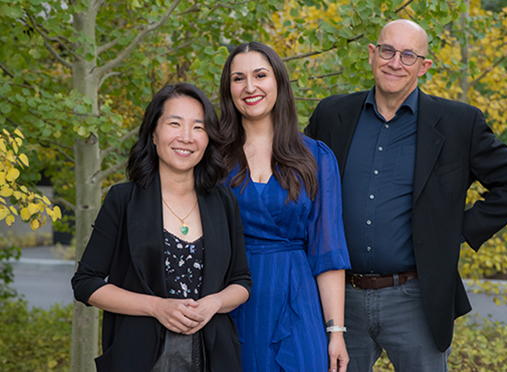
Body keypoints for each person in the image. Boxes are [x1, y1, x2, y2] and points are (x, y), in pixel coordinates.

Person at [304, 19, 507, 372]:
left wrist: (455, 231)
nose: (394, 62)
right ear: (372, 54)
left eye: (408, 55)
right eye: (387, 50)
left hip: (415, 299)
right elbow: (298, 181)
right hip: (341, 300)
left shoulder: (460, 123)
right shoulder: (332, 114)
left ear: (424, 66)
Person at [72, 83, 252, 372]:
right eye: (174, 123)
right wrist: (157, 307)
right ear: (153, 133)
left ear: (208, 139)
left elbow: (241, 281)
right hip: (140, 356)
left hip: (213, 356)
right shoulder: (123, 199)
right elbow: (86, 283)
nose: (186, 137)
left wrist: (214, 303)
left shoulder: (224, 201)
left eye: (198, 127)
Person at [218, 41, 351, 372]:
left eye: (260, 75)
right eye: (238, 78)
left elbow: (327, 251)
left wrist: (336, 333)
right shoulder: (213, 157)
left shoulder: (316, 157)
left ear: (278, 80)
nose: (250, 87)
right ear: (228, 89)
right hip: (231, 296)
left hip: (297, 298)